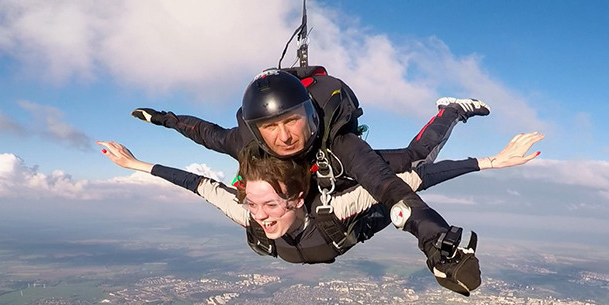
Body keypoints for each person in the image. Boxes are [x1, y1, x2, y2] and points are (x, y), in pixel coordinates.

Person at [99, 117, 543, 295]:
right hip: (327, 232)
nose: (261, 216)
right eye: (251, 205)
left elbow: (413, 184)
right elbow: (194, 181)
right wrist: (134, 163)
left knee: (411, 160)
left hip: (356, 217)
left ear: (295, 198)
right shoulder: (248, 214)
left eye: (269, 205)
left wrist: (489, 163)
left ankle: (448, 112)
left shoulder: (335, 207)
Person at [130, 68, 489, 272]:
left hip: (343, 186)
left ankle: (451, 111)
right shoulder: (246, 145)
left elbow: (391, 190)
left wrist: (435, 242)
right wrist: (164, 120)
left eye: (293, 121)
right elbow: (203, 134)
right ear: (256, 131)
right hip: (311, 216)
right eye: (271, 127)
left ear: (311, 116)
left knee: (415, 159)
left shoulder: (341, 145)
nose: (284, 137)